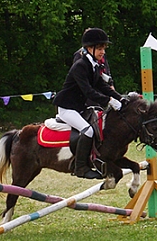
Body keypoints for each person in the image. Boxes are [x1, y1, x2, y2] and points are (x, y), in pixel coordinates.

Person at [53, 28, 125, 179]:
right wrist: (109, 101)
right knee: (88, 131)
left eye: (104, 48)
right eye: (99, 48)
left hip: (79, 108)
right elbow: (88, 91)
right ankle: (80, 168)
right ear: (89, 48)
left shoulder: (94, 64)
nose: (103, 52)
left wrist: (121, 98)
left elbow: (102, 86)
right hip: (67, 108)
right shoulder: (80, 65)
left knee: (98, 126)